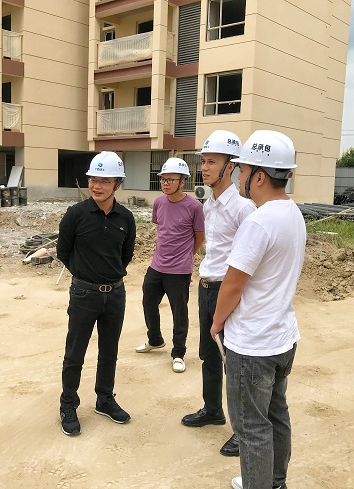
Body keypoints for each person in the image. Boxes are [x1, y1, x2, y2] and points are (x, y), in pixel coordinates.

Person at [210, 130, 305, 489]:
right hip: (282, 338)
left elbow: (233, 284)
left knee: (251, 427)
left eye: (243, 170)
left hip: (253, 345)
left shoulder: (258, 221)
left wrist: (216, 322)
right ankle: (275, 482)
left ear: (260, 176)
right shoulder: (292, 213)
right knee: (276, 414)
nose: (239, 176)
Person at [181, 130, 256, 460]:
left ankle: (244, 431)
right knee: (209, 355)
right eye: (203, 162)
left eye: (212, 162)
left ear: (231, 166)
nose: (205, 168)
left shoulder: (244, 210)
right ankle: (212, 409)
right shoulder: (208, 204)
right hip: (207, 288)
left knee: (234, 363)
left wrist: (231, 296)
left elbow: (248, 263)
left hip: (228, 292)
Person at [56, 151, 136, 436]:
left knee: (109, 351)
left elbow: (126, 254)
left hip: (115, 295)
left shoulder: (126, 218)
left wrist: (109, 276)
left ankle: (104, 399)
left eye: (105, 181)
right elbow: (63, 251)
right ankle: (68, 404)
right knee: (74, 353)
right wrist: (85, 275)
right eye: (93, 180)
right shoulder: (75, 214)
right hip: (83, 294)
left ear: (117, 184)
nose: (97, 186)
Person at [134, 157, 205, 373]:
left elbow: (200, 236)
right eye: (163, 179)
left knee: (179, 313)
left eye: (170, 179)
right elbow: (162, 230)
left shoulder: (194, 207)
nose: (165, 183)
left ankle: (178, 353)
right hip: (157, 266)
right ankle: (155, 339)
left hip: (179, 271)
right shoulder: (159, 203)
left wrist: (187, 256)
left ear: (183, 182)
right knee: (148, 302)